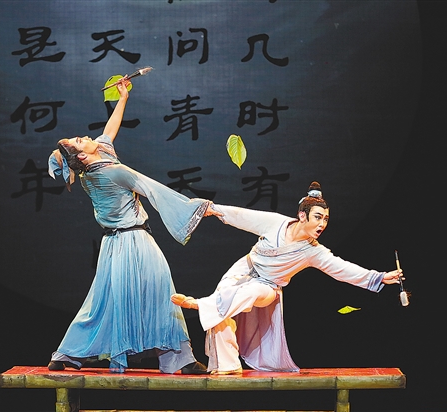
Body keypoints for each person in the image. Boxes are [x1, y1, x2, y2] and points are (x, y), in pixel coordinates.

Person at [46, 76, 220, 374]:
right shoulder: (112, 172)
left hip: (113, 245)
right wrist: (195, 208)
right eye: (78, 141)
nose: (84, 136)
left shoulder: (92, 168)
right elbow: (153, 189)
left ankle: (67, 354)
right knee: (161, 292)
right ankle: (179, 358)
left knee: (104, 300)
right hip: (134, 242)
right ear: (83, 155)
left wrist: (123, 98)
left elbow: (108, 133)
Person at [171, 182, 404, 375]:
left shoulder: (314, 251)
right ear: (302, 215)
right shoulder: (277, 223)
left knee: (247, 293)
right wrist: (214, 209)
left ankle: (200, 304)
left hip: (267, 287)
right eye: (318, 217)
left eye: (325, 219)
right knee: (222, 306)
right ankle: (227, 364)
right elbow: (244, 217)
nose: (322, 224)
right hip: (245, 268)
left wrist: (379, 277)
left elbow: (342, 269)